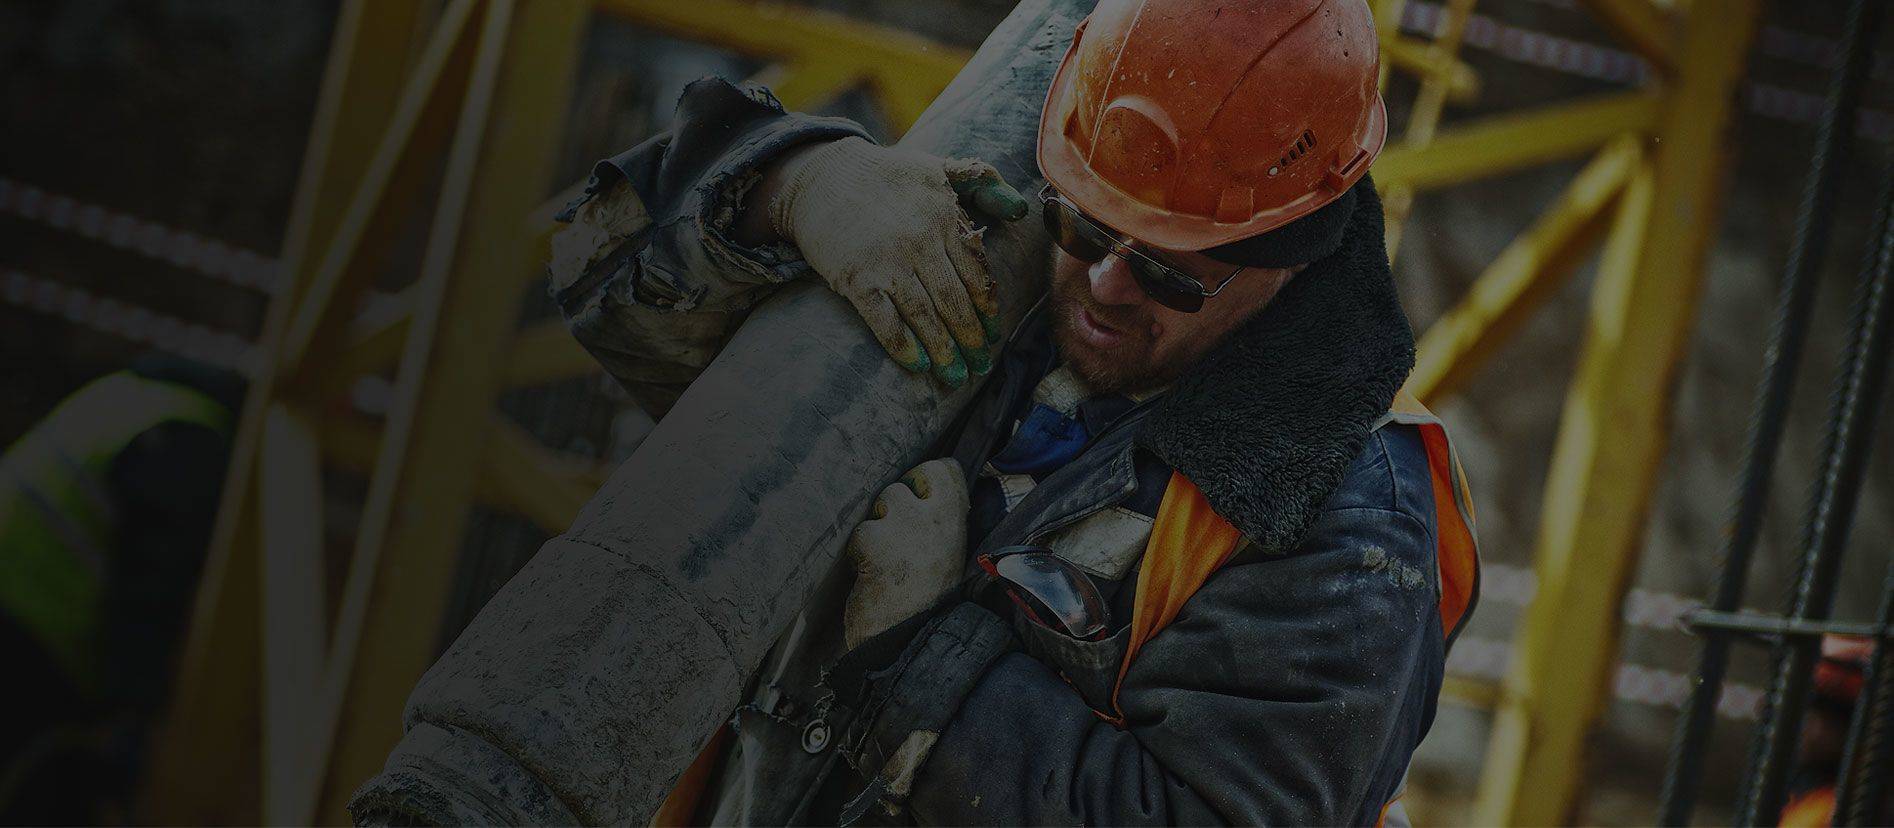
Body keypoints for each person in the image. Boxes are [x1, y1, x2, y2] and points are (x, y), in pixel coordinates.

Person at [550, 0, 1479, 822]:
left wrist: (915, 652)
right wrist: (782, 190)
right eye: (1086, 223)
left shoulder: (1346, 524)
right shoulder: (996, 253)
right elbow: (600, 286)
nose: (1106, 285)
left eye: (1169, 273)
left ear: (1290, 257)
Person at [0, 353, 242, 822]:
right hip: (30, 633)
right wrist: (131, 711)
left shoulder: (125, 396)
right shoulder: (191, 434)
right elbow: (151, 590)